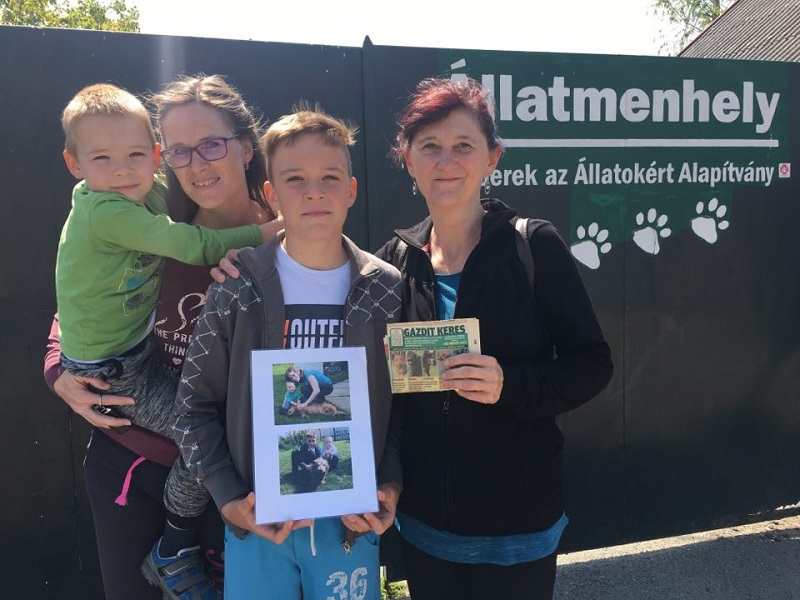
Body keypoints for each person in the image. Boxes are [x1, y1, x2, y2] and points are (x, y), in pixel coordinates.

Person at [375, 77, 614, 600]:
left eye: (464, 145)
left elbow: (593, 364)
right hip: (424, 528)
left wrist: (510, 383)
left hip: (518, 530)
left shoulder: (533, 246)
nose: (446, 161)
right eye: (430, 147)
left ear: (492, 159)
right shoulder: (393, 262)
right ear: (408, 161)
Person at [44, 74, 281, 600]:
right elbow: (78, 305)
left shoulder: (296, 241)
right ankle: (173, 549)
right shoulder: (149, 222)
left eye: (212, 144)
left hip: (236, 480)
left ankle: (176, 545)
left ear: (247, 148)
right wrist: (58, 370)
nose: (196, 163)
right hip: (130, 463)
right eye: (180, 150)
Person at [173, 105, 403, 600]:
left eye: (329, 177)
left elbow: (401, 406)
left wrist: (390, 482)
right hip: (258, 524)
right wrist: (229, 499)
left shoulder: (386, 288)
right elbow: (191, 406)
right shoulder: (237, 286)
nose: (314, 191)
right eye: (295, 179)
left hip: (351, 525)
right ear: (272, 194)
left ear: (351, 190)